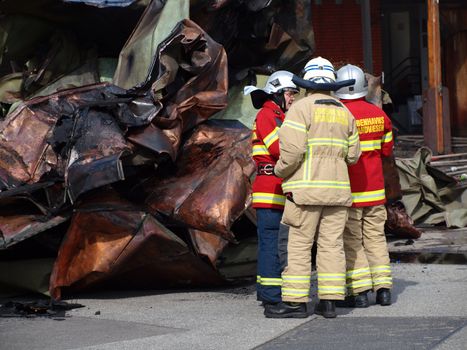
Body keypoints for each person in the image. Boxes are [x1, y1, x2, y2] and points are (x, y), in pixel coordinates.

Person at [265, 57, 361, 319]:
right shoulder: (345, 111)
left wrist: (279, 171)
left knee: (299, 246)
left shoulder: (300, 108)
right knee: (332, 246)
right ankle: (329, 302)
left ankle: (295, 303)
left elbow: (293, 151)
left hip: (304, 193)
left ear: (306, 83)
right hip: (338, 192)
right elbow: (353, 155)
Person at [334, 64, 394, 307]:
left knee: (352, 241)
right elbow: (387, 151)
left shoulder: (338, 115)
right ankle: (383, 289)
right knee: (376, 239)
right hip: (375, 191)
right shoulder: (380, 116)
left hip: (349, 193)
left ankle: (360, 292)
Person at [244, 71, 299, 308]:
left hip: (276, 188)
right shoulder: (267, 115)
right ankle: (271, 295)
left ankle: (266, 290)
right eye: (290, 93)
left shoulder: (276, 115)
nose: (293, 98)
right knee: (271, 242)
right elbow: (279, 148)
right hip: (270, 190)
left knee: (273, 242)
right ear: (277, 94)